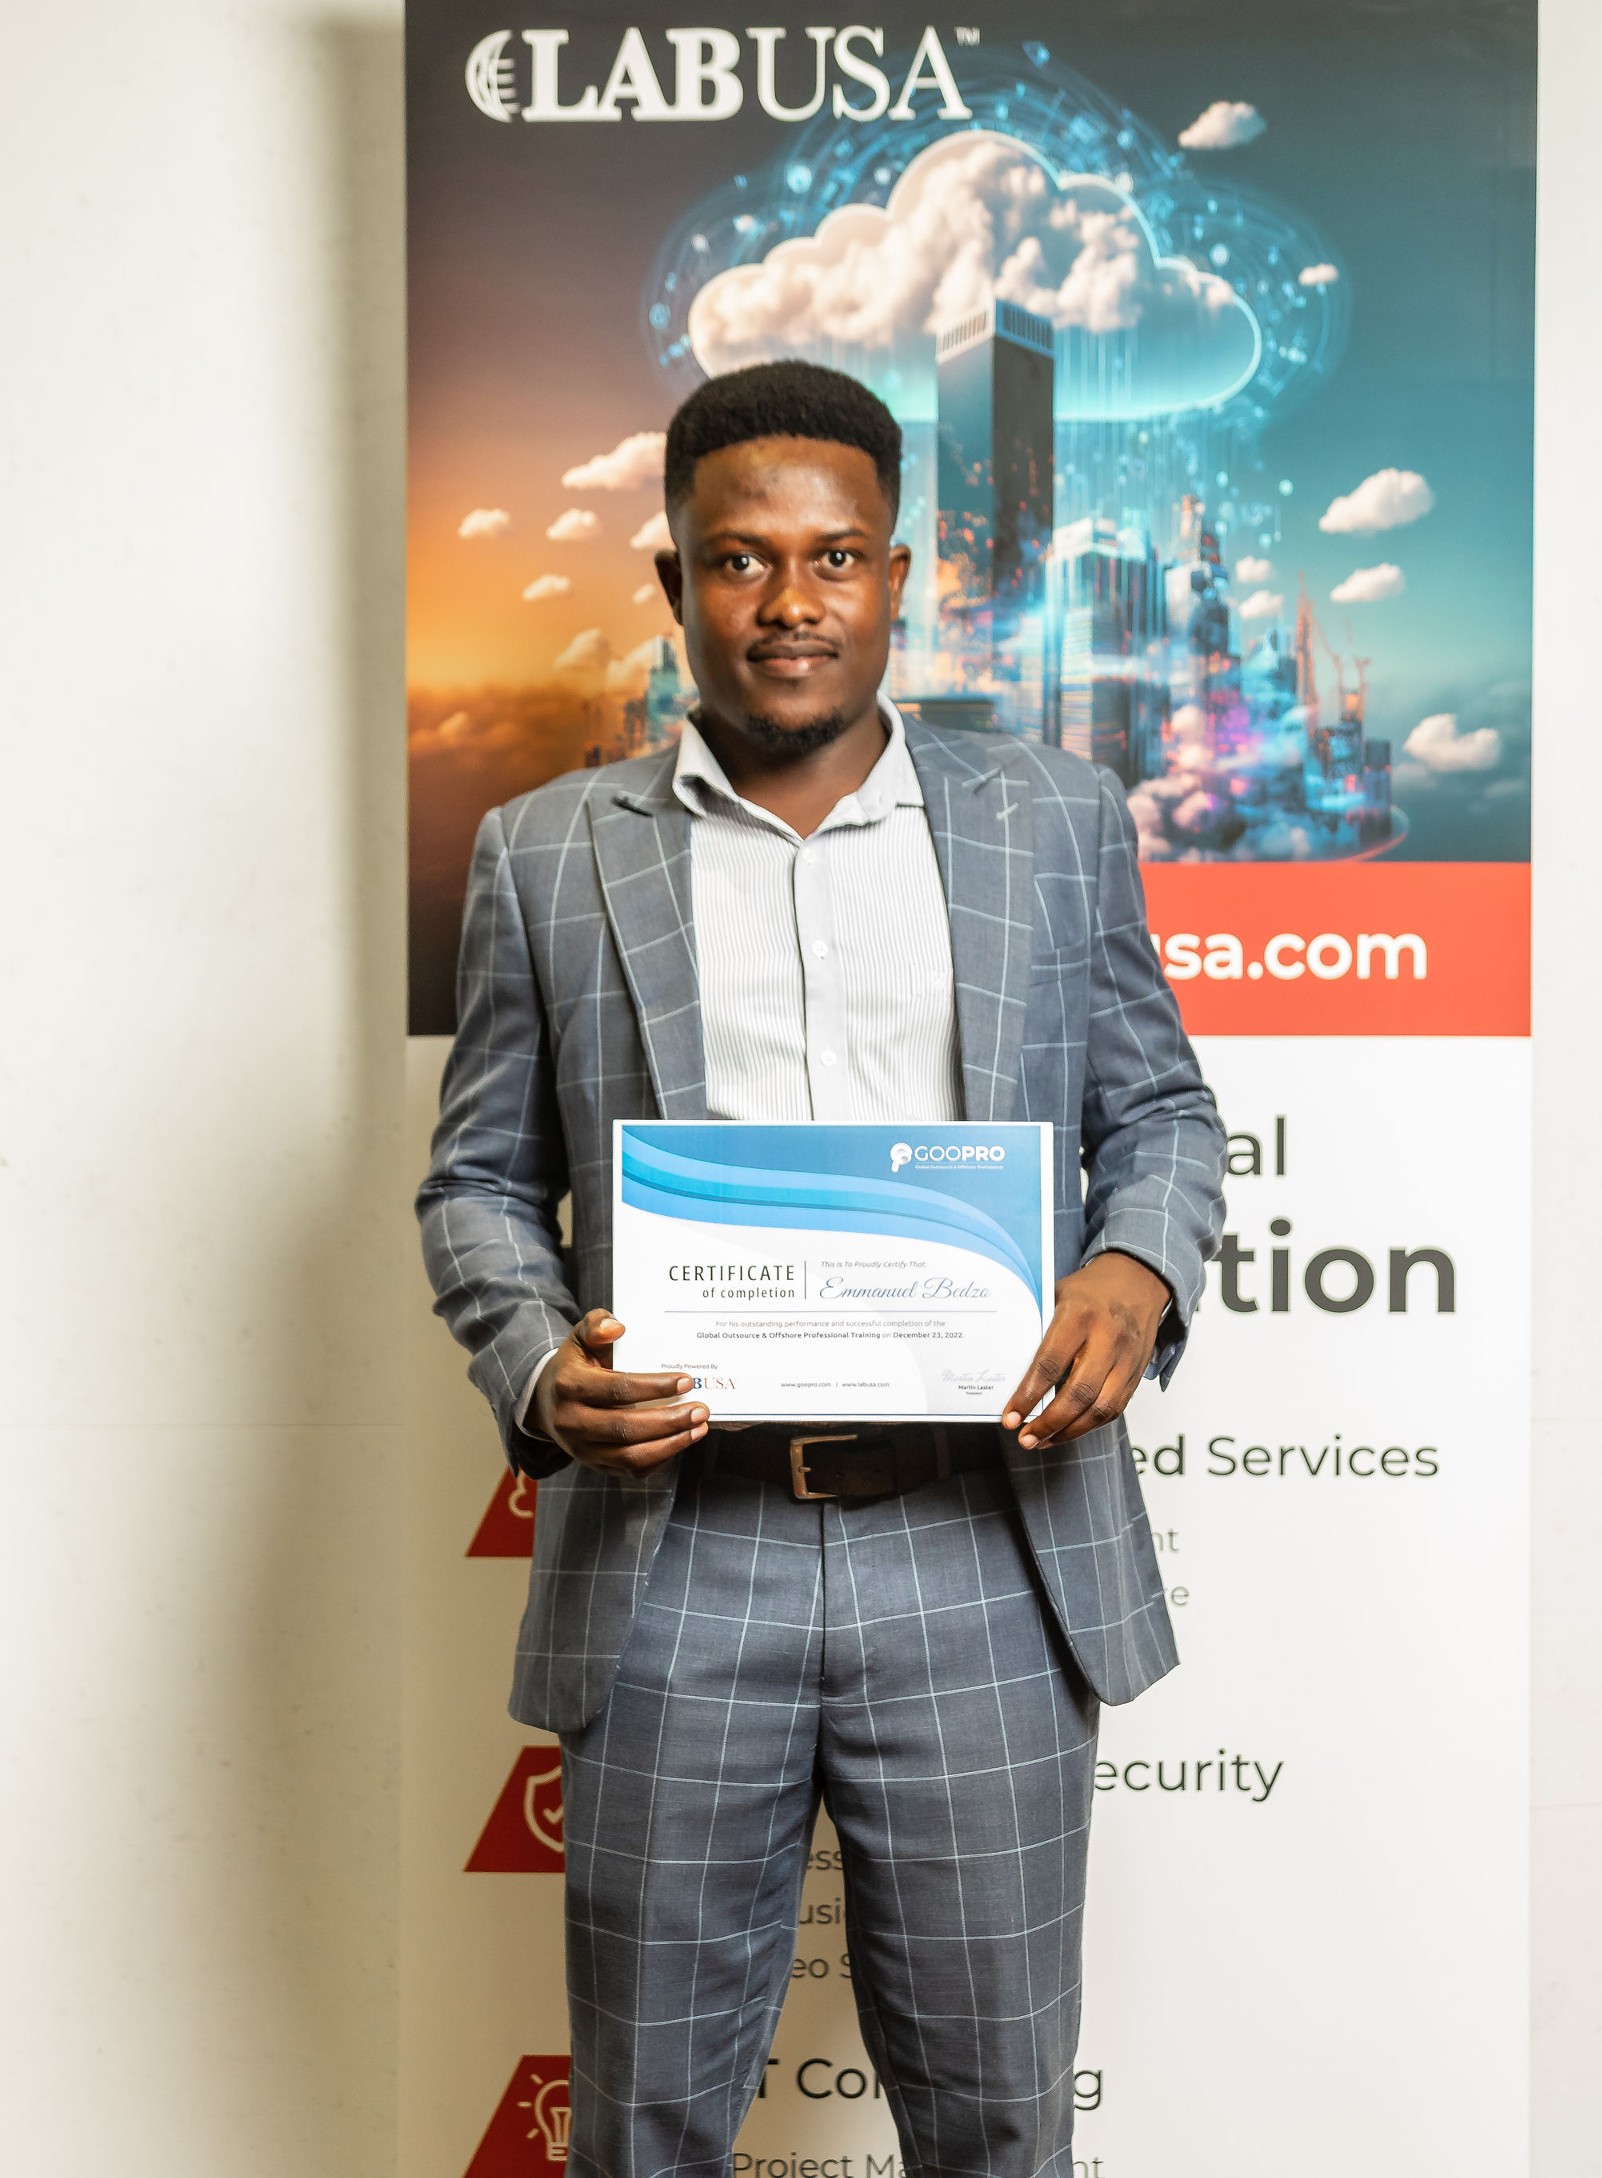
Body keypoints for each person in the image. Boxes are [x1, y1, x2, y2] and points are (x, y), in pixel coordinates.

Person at [418, 359, 1226, 2178]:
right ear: (676, 581)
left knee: (1003, 2121)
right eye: (741, 559)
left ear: (899, 575)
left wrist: (1133, 1267)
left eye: (836, 556)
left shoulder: (1051, 818)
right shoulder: (546, 854)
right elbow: (475, 1181)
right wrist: (539, 1364)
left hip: (985, 1547)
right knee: (642, 2128)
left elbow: (1163, 1112)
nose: (792, 601)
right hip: (675, 1561)